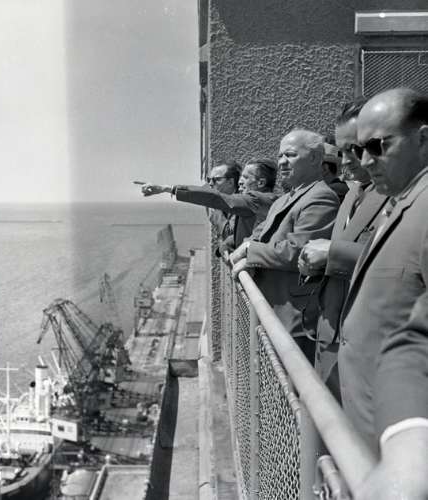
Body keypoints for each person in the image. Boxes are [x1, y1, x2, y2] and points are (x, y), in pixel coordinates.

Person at [337, 88, 428, 500]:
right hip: (376, 428)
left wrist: (408, 434)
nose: (365, 160)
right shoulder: (401, 202)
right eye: (360, 149)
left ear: (423, 139)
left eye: (378, 146)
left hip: (404, 443)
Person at [297, 99, 389, 396]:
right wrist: (313, 263)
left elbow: (396, 257)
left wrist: (332, 253)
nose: (346, 161)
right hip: (331, 332)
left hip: (367, 348)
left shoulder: (398, 195)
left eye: (356, 149)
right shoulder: (351, 194)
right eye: (341, 151)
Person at [230, 129, 340, 362]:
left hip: (294, 317)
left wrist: (250, 252)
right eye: (280, 156)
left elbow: (297, 251)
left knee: (291, 378)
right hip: (271, 310)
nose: (282, 162)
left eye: (290, 155)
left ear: (314, 158)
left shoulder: (321, 197)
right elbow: (257, 236)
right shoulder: (283, 199)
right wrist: (251, 247)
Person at [141, 158, 277, 248]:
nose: (240, 181)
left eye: (246, 177)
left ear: (261, 183)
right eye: (241, 177)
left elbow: (214, 198)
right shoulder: (255, 201)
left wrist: (167, 189)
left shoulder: (255, 200)